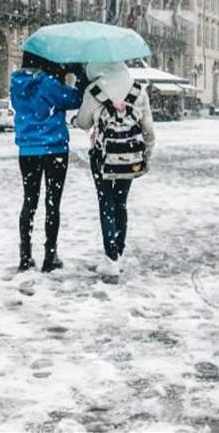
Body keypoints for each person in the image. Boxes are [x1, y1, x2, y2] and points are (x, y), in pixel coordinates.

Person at [75, 61, 156, 280]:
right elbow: (148, 130)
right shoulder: (138, 91)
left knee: (106, 203)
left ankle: (110, 257)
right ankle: (118, 251)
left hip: (103, 157)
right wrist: (145, 156)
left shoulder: (94, 90)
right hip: (129, 157)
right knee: (121, 203)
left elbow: (82, 123)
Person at [9, 52, 83, 273]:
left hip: (28, 149)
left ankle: (25, 255)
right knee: (53, 202)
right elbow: (74, 99)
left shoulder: (15, 84)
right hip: (55, 148)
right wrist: (76, 76)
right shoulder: (48, 83)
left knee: (29, 201)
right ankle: (50, 255)